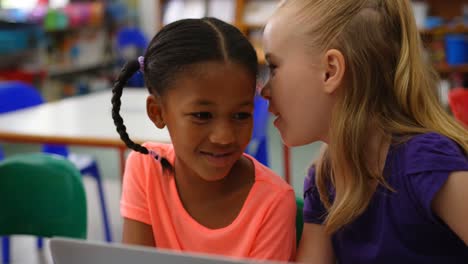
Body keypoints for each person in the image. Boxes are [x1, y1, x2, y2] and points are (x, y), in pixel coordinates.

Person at [259, 0, 468, 263]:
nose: (264, 91)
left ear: (330, 71)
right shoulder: (325, 177)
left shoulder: (426, 162)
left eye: (273, 68)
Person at [111, 17, 296, 261]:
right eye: (202, 115)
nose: (224, 137)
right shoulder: (146, 168)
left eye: (241, 115)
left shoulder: (273, 203)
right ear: (158, 112)